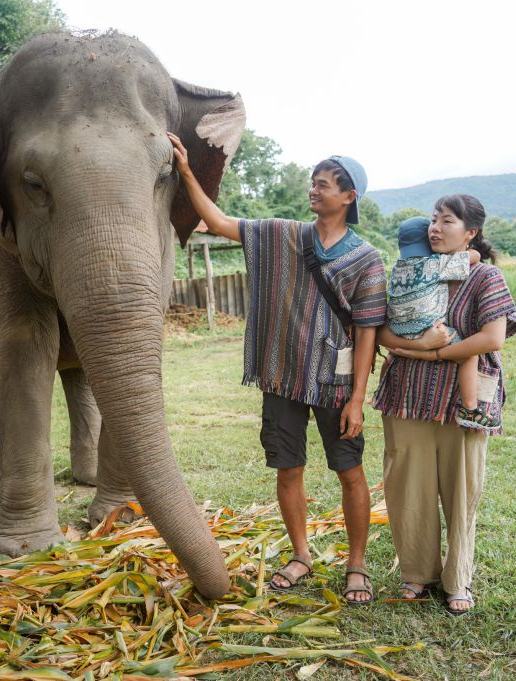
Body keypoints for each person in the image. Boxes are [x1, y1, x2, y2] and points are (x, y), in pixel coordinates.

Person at [168, 133, 387, 604]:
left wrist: (357, 400)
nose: (315, 190)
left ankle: (357, 565)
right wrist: (187, 172)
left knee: (350, 473)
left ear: (349, 197)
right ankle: (302, 555)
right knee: (288, 470)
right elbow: (219, 221)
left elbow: (367, 333)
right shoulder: (282, 234)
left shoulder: (366, 259)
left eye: (325, 184)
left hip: (335, 382)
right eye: (313, 182)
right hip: (282, 376)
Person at [373, 194, 516, 615]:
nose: (435, 228)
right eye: (433, 220)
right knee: (408, 491)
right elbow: (383, 333)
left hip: (462, 404)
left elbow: (491, 338)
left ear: (470, 232)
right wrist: (418, 344)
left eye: (447, 221)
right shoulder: (412, 271)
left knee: (461, 491)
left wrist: (432, 355)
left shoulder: (485, 278)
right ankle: (416, 574)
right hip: (407, 398)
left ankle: (458, 580)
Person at [388, 216, 497, 431]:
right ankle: (470, 407)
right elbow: (475, 256)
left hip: (398, 329)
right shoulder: (437, 264)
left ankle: (384, 391)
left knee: (391, 358)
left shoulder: (397, 267)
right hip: (429, 328)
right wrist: (469, 251)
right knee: (468, 355)